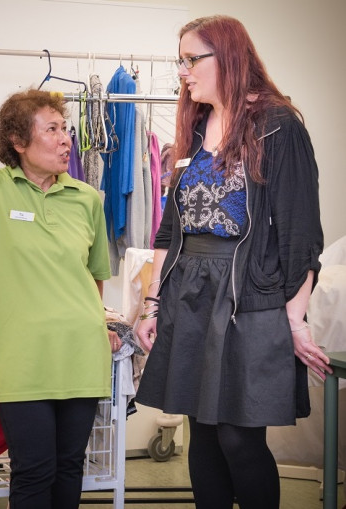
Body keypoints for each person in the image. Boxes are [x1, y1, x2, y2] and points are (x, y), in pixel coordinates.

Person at [134, 15, 333, 509]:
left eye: (191, 59)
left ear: (228, 56)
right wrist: (151, 303)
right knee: (201, 436)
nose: (183, 71)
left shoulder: (278, 126)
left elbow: (300, 232)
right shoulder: (197, 124)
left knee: (238, 439)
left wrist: (296, 319)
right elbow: (170, 229)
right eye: (179, 60)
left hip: (250, 297)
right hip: (190, 293)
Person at [0, 89, 120, 508]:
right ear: (18, 141)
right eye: (51, 129)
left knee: (70, 466)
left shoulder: (86, 199)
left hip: (81, 354)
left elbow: (93, 277)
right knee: (35, 469)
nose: (65, 139)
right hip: (20, 360)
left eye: (66, 129)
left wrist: (100, 324)